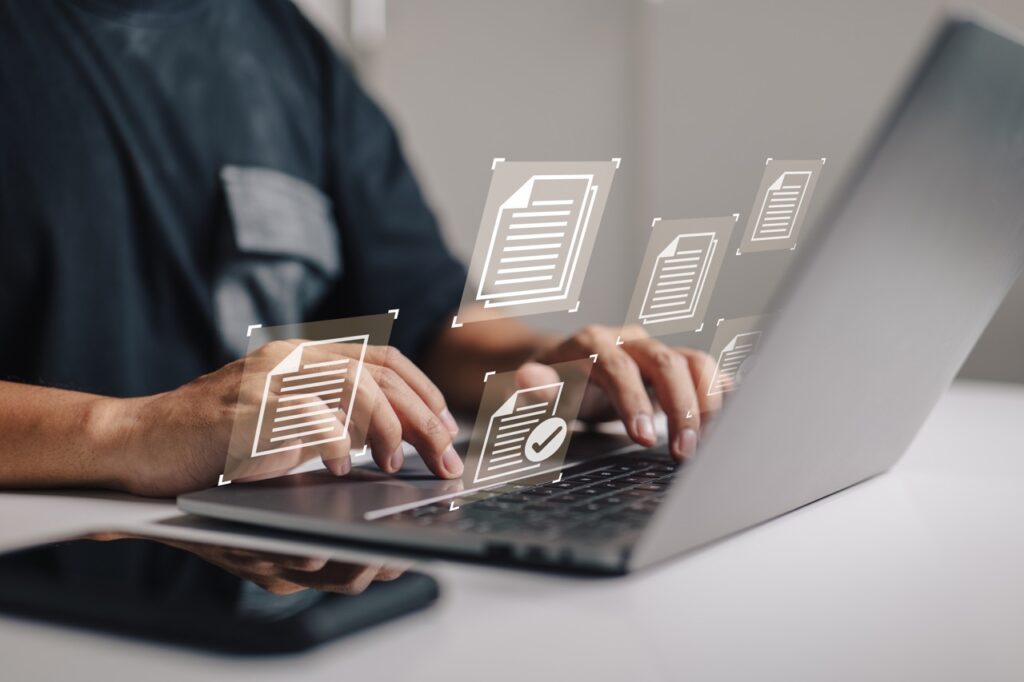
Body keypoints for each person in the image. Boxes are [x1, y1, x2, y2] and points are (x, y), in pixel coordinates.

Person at [0, 0, 719, 498]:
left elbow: (429, 317)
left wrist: (548, 368)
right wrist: (132, 431)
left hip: (263, 583)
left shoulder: (283, 45)